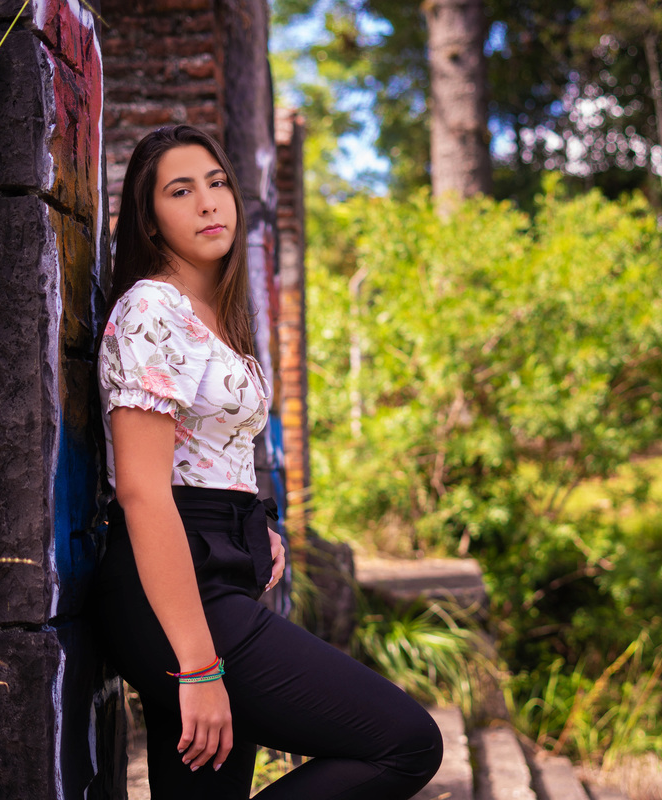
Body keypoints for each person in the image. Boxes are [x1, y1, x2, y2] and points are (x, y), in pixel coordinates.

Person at [92, 125, 443, 799]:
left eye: (217, 183)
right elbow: (142, 491)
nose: (208, 202)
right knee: (404, 743)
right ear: (150, 219)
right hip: (175, 589)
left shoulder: (212, 315)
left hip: (216, 569)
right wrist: (199, 668)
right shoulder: (153, 310)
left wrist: (256, 525)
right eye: (180, 191)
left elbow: (211, 455)